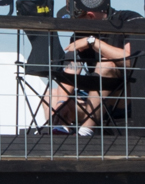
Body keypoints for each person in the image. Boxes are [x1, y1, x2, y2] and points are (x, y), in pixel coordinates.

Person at [44, 8, 135, 136]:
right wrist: (62, 103)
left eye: (74, 24)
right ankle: (58, 133)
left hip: (123, 100)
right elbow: (70, 72)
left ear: (90, 17)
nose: (72, 30)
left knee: (106, 64)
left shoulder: (125, 18)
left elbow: (131, 61)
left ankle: (85, 133)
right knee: (50, 96)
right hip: (93, 102)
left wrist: (92, 42)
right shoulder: (79, 34)